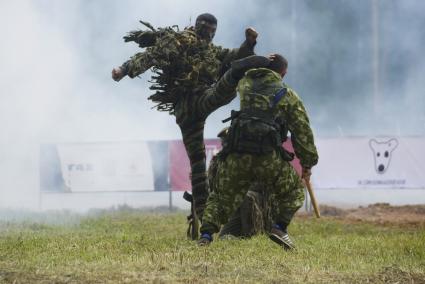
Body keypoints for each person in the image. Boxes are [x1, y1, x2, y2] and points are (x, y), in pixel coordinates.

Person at [111, 13, 258, 220]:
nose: (210, 34)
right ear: (198, 26)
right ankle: (234, 76)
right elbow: (152, 55)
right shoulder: (180, 40)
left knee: (197, 161)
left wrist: (249, 43)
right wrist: (124, 69)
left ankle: (203, 216)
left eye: (213, 31)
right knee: (220, 95)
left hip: (189, 112)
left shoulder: (210, 49)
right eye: (207, 30)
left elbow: (233, 54)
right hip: (191, 101)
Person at [199, 54, 319, 250]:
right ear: (284, 73)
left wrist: (255, 61)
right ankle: (279, 228)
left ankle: (205, 236)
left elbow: (236, 71)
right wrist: (308, 163)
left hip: (237, 154)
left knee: (220, 196)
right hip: (267, 158)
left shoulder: (244, 85)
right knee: (295, 191)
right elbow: (302, 130)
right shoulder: (286, 94)